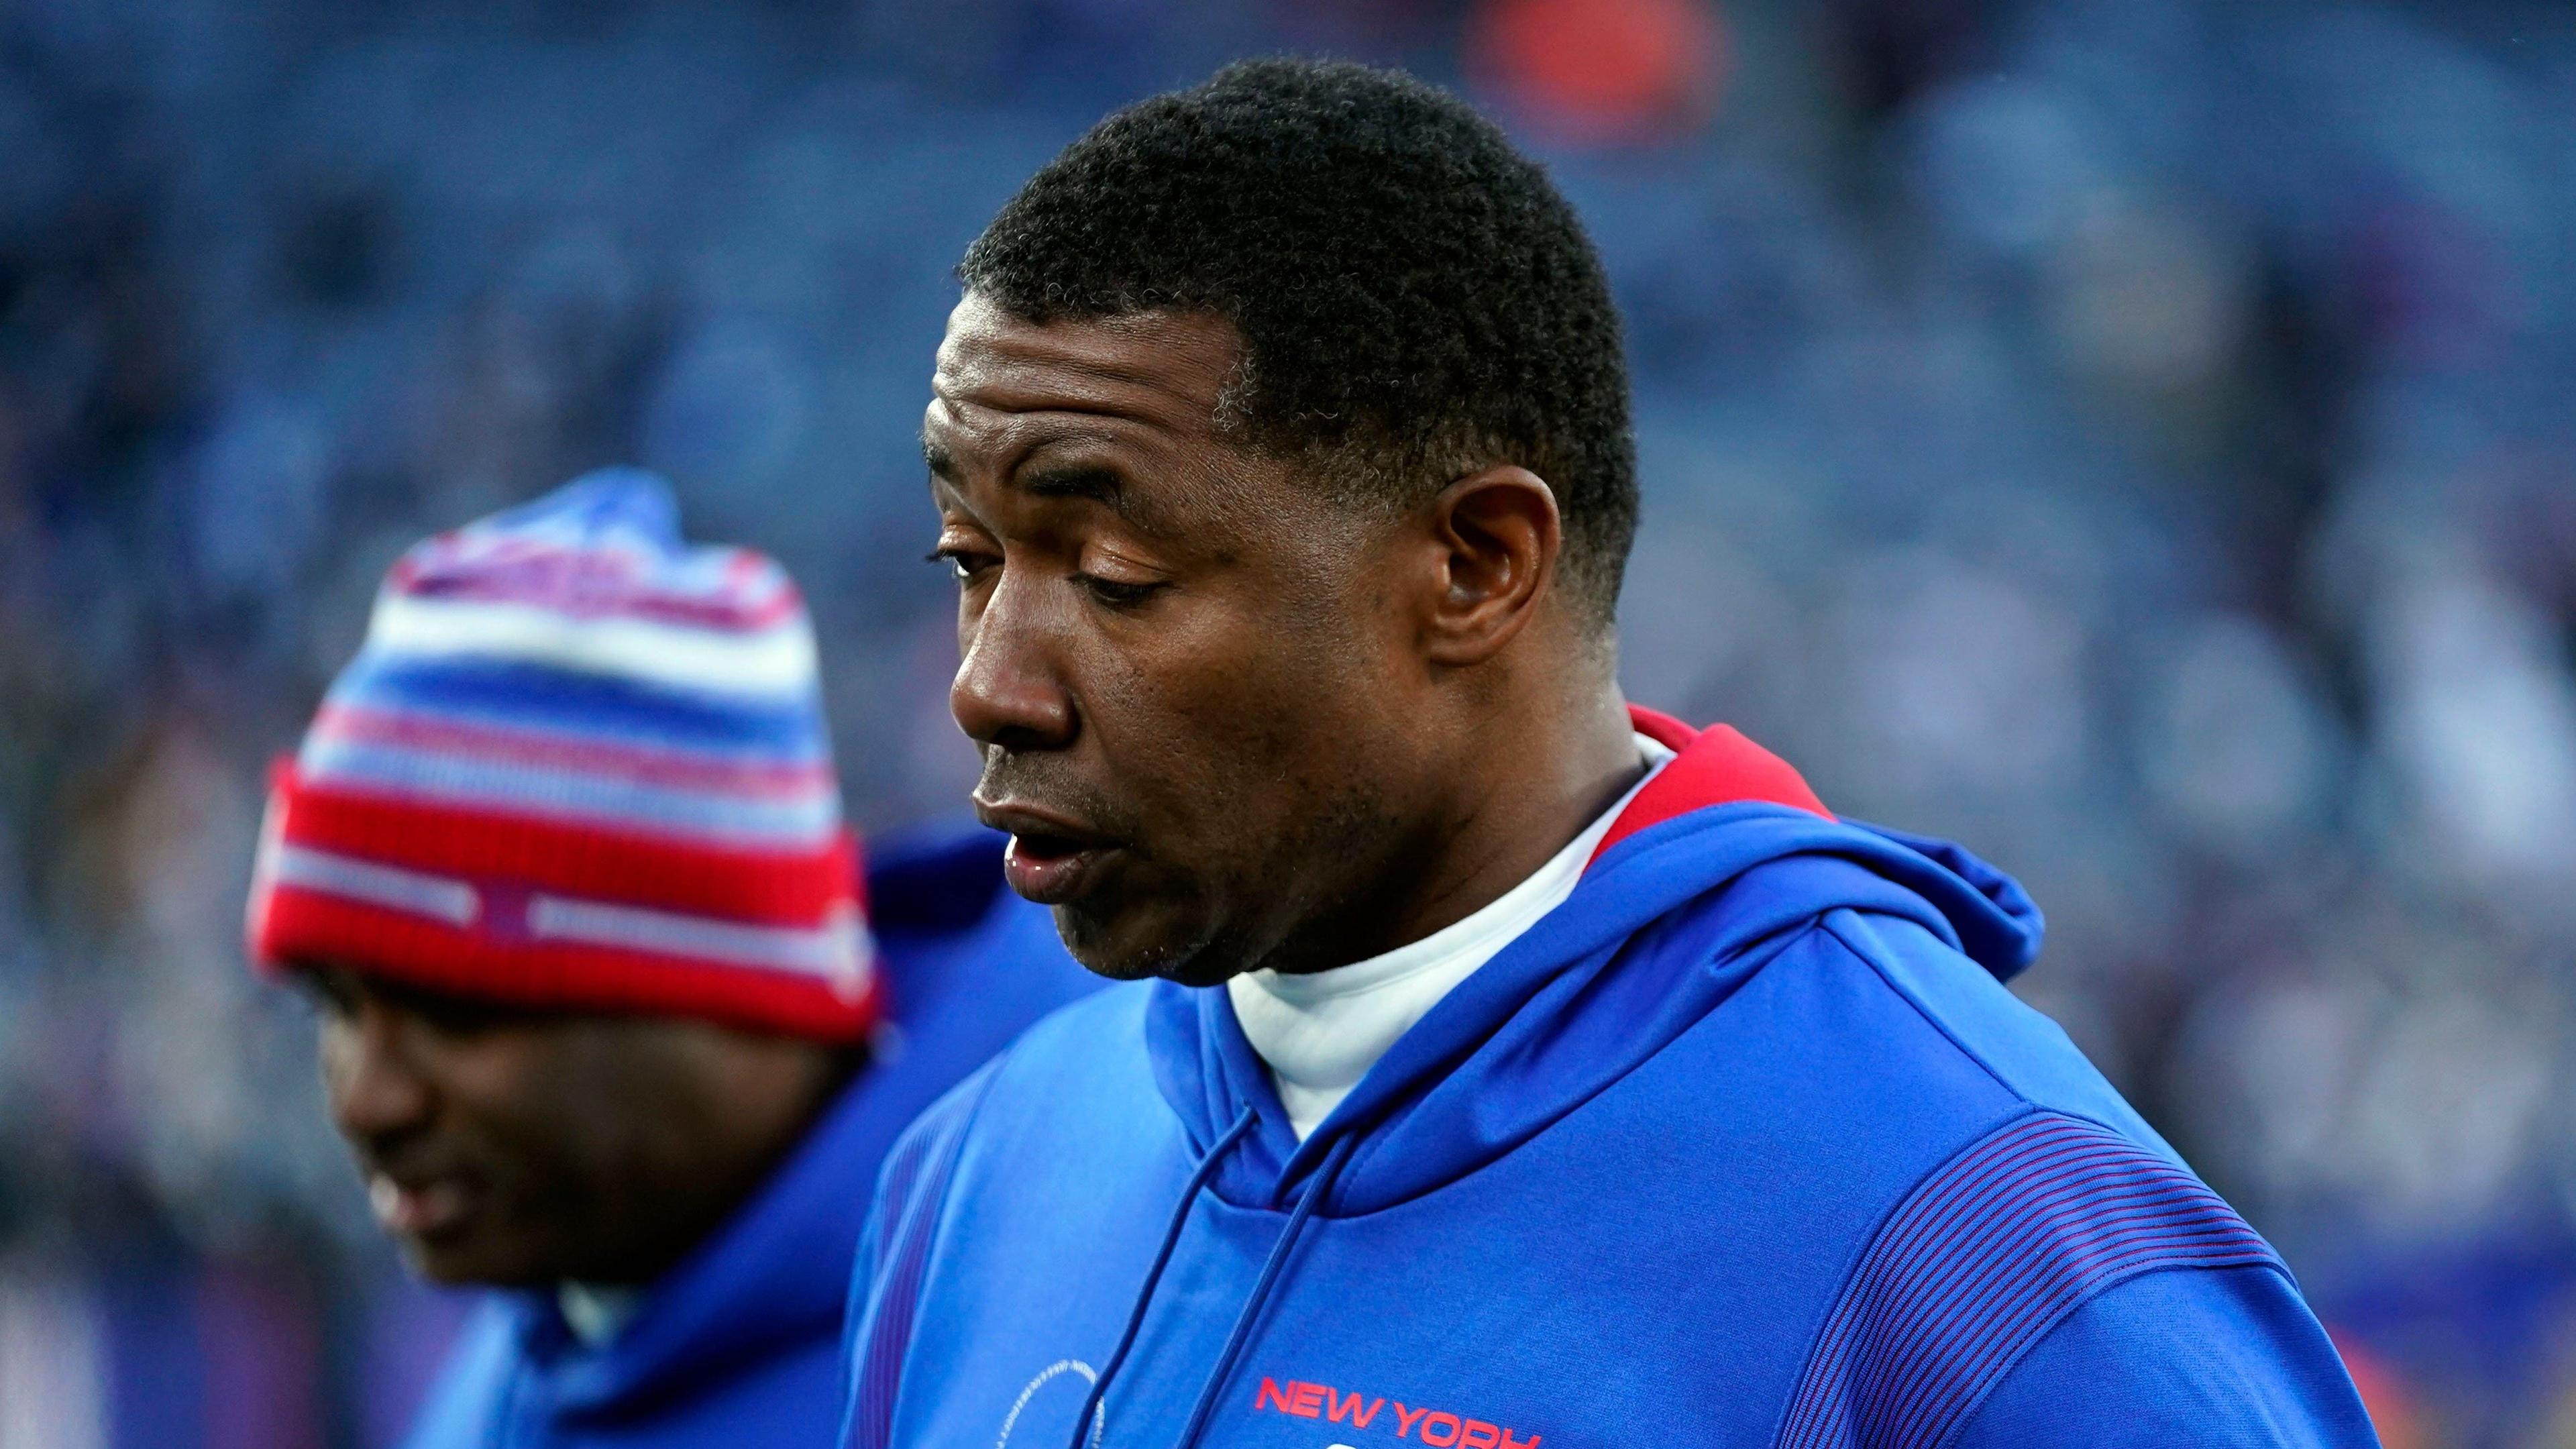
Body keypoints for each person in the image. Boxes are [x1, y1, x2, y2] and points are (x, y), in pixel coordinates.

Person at [841, 59, 2379, 1449]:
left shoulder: (1989, 1254)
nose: (988, 688)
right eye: (969, 560)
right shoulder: (986, 1162)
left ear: (1476, 565)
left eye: (1114, 576)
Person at [243, 470, 1097, 1448]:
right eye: (335, 1008)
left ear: (729, 993)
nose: (365, 1102)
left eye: (457, 1013)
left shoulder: (1055, 1321)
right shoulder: (540, 1334)